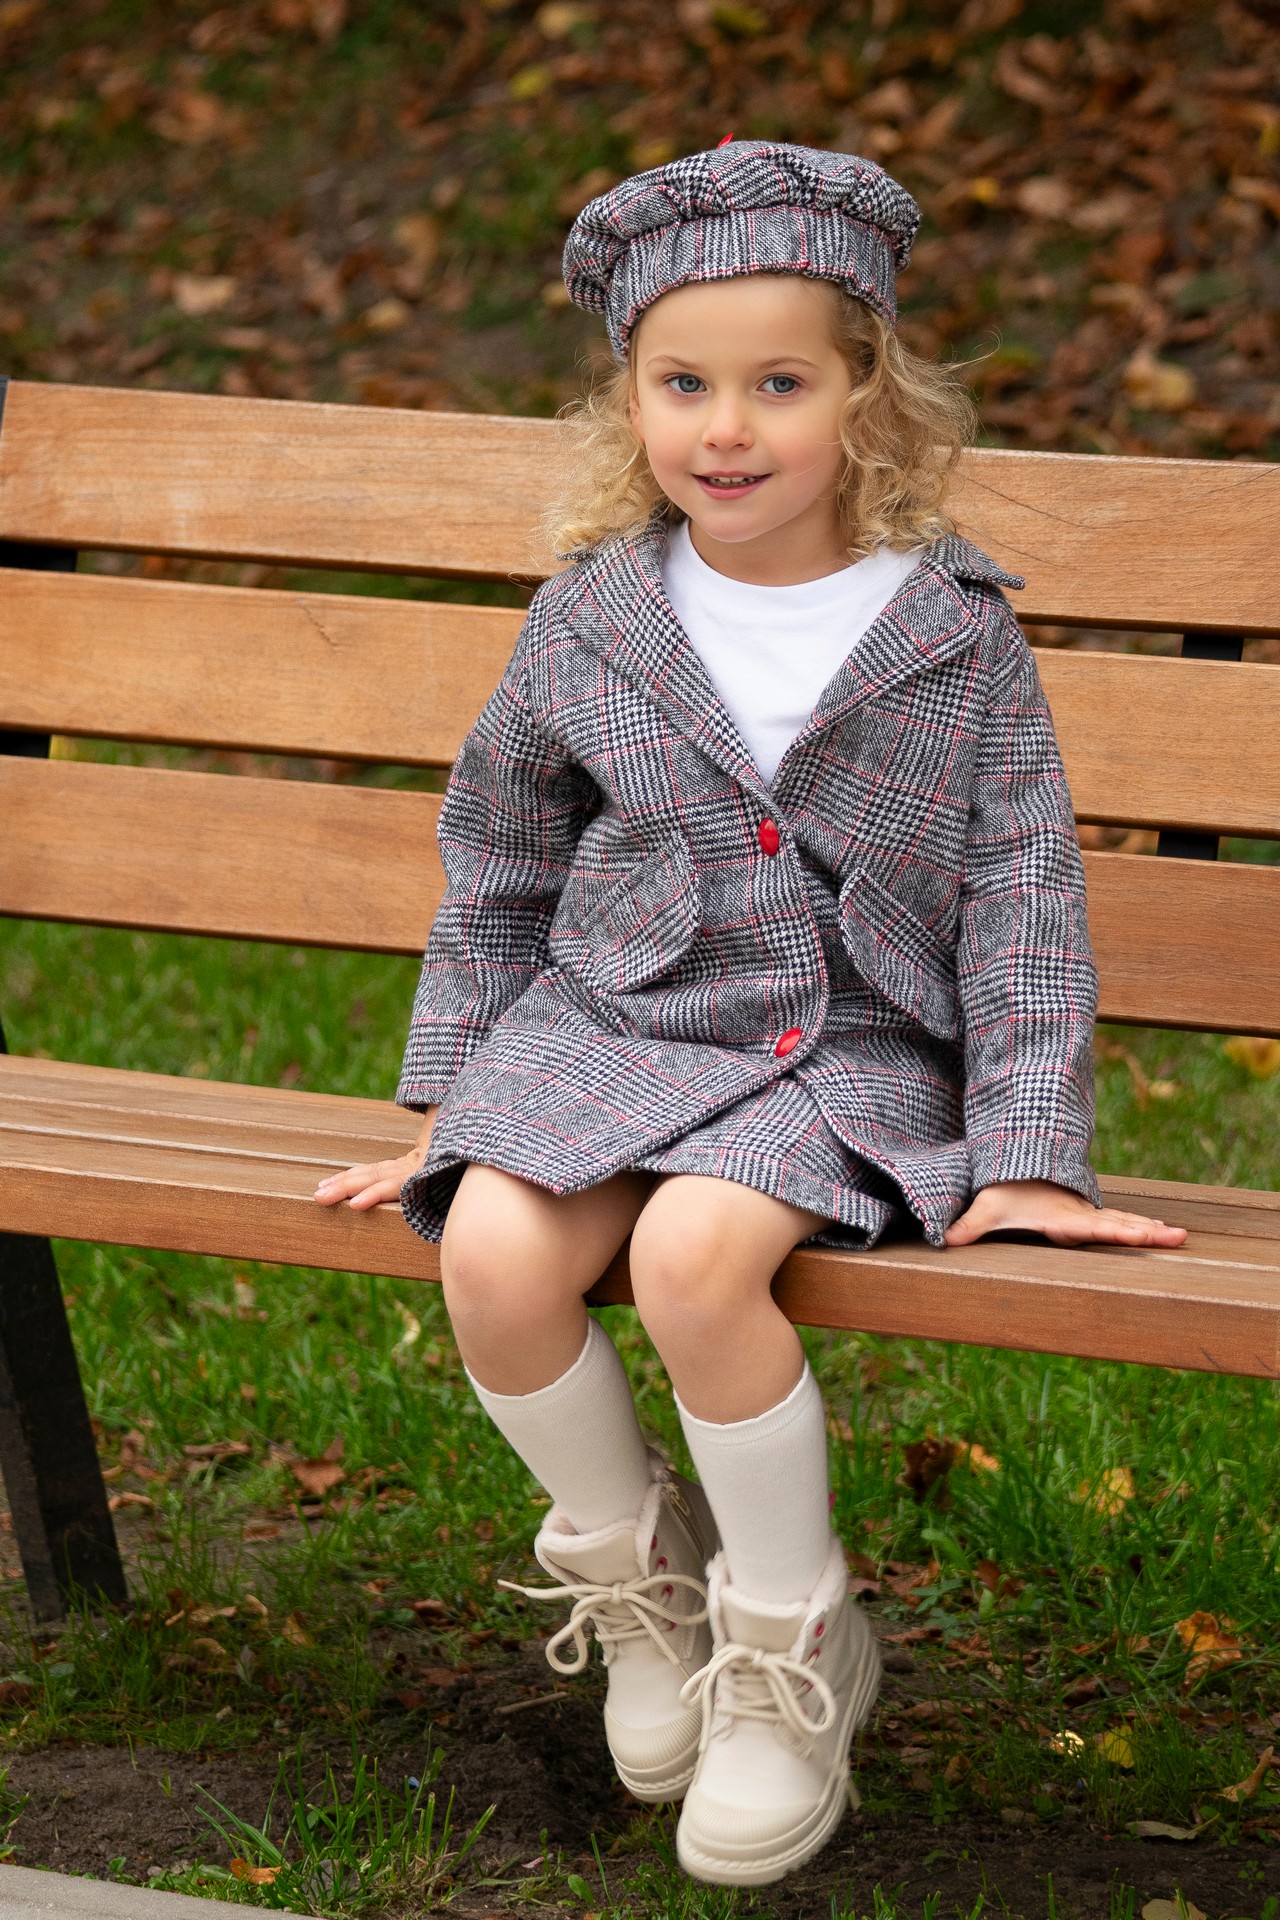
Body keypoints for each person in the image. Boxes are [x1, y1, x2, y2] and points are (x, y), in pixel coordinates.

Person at [316, 141, 1185, 1888]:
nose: (727, 429)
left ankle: (792, 1642)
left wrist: (1029, 1153)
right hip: (617, 1025)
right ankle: (643, 1587)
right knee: (490, 1245)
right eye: (683, 384)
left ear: (869, 394)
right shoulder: (594, 618)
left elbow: (1023, 896)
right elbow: (501, 855)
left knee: (695, 1256)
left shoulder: (947, 630)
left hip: (843, 1051)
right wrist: (457, 1105)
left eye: (779, 384)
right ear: (627, 401)